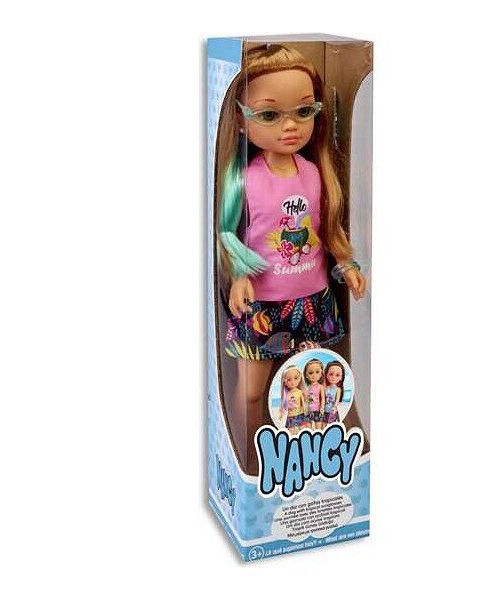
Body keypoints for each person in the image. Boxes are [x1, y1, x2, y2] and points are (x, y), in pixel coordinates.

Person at [216, 44, 366, 472]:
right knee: (251, 392)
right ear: (240, 119)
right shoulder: (244, 179)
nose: (290, 125)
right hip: (262, 305)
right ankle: (248, 462)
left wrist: (347, 263)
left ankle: (306, 466)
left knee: (312, 392)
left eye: (304, 111)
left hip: (312, 301)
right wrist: (239, 273)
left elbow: (327, 228)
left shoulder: (315, 172)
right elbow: (228, 231)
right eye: (269, 114)